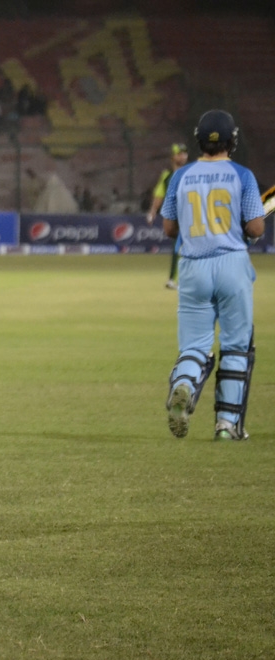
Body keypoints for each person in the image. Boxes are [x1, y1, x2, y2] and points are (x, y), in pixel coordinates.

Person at [162, 110, 265, 442]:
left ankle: (185, 383)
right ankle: (227, 425)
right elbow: (255, 226)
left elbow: (168, 228)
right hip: (232, 264)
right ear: (232, 141)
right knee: (236, 347)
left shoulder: (180, 176)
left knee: (194, 346)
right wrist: (248, 230)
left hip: (193, 267)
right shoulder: (243, 176)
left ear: (198, 140)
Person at [148, 143, 189, 289]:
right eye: (179, 154)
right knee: (178, 246)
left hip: (193, 215)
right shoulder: (167, 176)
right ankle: (173, 279)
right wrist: (153, 211)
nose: (183, 156)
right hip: (177, 216)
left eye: (184, 153)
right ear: (173, 156)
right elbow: (159, 194)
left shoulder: (192, 172)